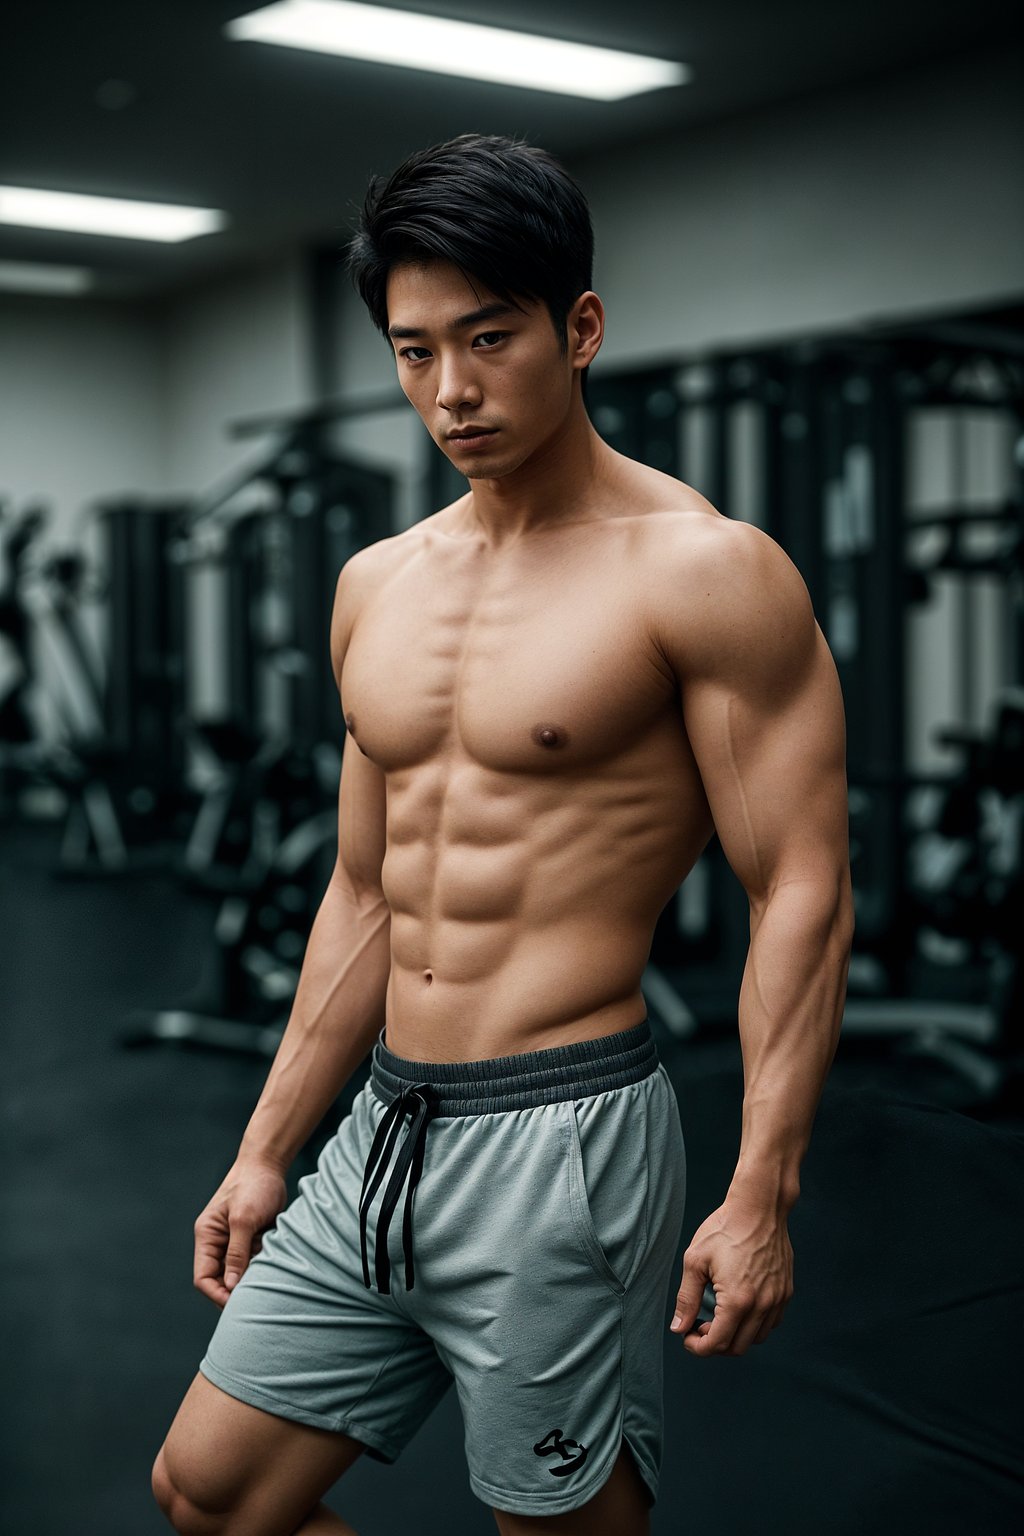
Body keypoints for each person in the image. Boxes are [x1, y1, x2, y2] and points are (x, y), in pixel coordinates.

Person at [152, 133, 854, 1536]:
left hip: (567, 1137)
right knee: (213, 1498)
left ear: (579, 329)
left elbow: (799, 891)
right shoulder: (377, 586)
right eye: (414, 354)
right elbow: (365, 892)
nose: (453, 392)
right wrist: (266, 1144)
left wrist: (761, 1188)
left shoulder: (706, 573)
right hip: (385, 1126)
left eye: (489, 339)